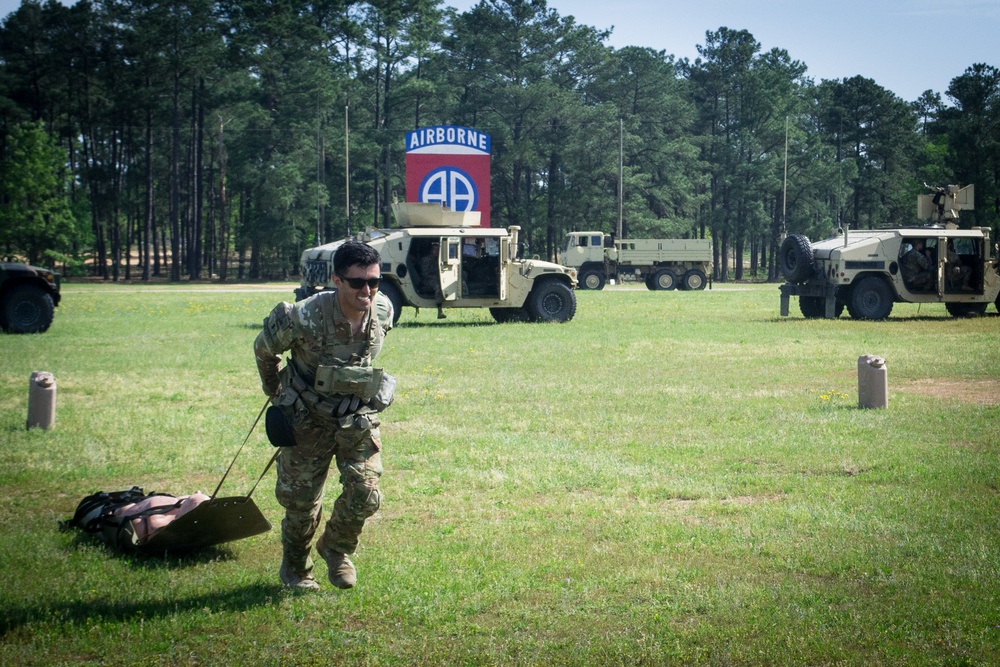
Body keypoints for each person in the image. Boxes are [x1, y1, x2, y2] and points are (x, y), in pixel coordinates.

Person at [254, 240, 395, 591]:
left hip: (354, 418)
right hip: (307, 419)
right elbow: (263, 349)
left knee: (365, 493)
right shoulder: (303, 316)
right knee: (300, 504)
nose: (367, 290)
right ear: (336, 280)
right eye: (357, 282)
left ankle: (336, 548)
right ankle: (297, 569)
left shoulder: (384, 310)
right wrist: (275, 391)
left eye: (374, 282)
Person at [419, 241, 446, 318]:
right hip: (427, 281)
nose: (436, 251)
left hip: (436, 279)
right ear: (431, 250)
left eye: (438, 250)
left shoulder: (439, 260)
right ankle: (440, 310)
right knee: (438, 287)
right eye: (434, 249)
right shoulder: (426, 260)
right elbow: (425, 274)